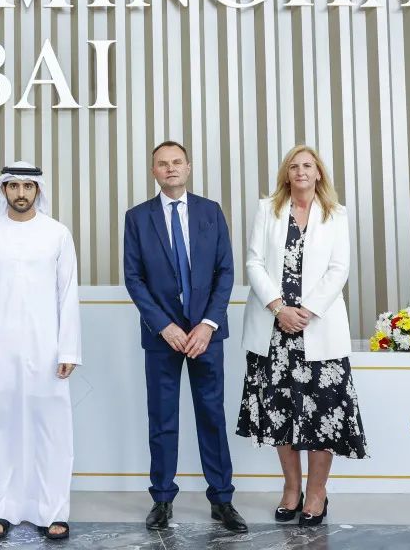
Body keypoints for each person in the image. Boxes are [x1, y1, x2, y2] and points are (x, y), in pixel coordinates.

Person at [237, 145, 367, 526]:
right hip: (274, 329)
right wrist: (279, 308)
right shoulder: (268, 209)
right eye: (294, 166)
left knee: (322, 413)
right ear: (286, 173)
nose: (301, 172)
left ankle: (316, 493)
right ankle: (291, 489)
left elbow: (339, 268)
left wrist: (305, 311)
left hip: (318, 328)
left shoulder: (336, 214)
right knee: (279, 412)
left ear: (318, 172)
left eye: (308, 165)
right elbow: (253, 262)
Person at [123, 141, 247, 534]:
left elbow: (225, 272)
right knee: (162, 418)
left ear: (188, 167)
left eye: (177, 162)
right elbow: (134, 278)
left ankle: (222, 499)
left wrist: (208, 324)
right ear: (154, 171)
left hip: (205, 335)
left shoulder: (210, 212)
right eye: (162, 164)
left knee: (212, 415)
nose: (170, 168)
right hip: (162, 335)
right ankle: (162, 499)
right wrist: (164, 325)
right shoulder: (137, 218)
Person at [0, 162, 82, 541]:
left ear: (38, 190)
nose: (21, 192)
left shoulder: (57, 234)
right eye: (14, 186)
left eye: (28, 186)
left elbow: (67, 295)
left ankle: (52, 509)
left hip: (47, 350)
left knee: (51, 430)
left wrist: (69, 349)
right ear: (4, 190)